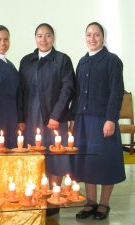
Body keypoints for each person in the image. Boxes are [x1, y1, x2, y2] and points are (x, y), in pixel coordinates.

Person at [18, 23, 75, 215]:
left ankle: (54, 198)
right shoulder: (26, 61)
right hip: (31, 117)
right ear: (35, 38)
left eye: (48, 35)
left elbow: (68, 89)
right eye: (40, 36)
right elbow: (21, 93)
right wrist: (21, 118)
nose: (43, 39)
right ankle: (38, 195)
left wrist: (56, 116)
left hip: (54, 119)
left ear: (53, 38)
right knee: (36, 157)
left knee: (56, 158)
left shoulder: (62, 60)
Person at [72, 22, 126, 220]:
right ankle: (90, 202)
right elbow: (77, 93)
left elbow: (116, 92)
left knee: (105, 162)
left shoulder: (112, 60)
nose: (92, 38)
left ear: (103, 37)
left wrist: (111, 119)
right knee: (87, 162)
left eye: (96, 35)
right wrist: (73, 118)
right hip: (83, 121)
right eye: (88, 35)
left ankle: (104, 204)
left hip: (103, 120)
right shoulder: (82, 62)